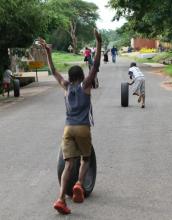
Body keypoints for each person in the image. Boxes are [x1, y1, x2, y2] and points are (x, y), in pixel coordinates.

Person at [39, 29, 102, 215]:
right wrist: (98, 43)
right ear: (82, 77)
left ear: (70, 78)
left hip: (67, 129)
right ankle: (79, 184)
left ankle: (60, 198)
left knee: (68, 164)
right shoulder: (86, 85)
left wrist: (48, 53)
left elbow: (53, 72)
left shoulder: (65, 86)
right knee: (86, 159)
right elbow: (96, 66)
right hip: (82, 128)